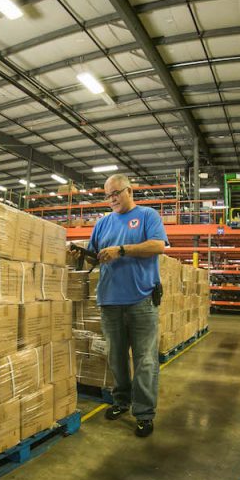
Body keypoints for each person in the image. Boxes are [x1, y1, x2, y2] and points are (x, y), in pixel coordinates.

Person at [86, 173, 169, 438]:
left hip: (141, 300)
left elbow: (158, 245)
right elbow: (94, 258)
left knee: (145, 360)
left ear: (129, 191)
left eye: (115, 194)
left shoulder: (147, 216)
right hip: (110, 301)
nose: (111, 200)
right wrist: (82, 254)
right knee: (116, 357)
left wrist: (121, 250)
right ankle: (121, 400)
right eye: (107, 195)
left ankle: (144, 413)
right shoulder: (102, 224)